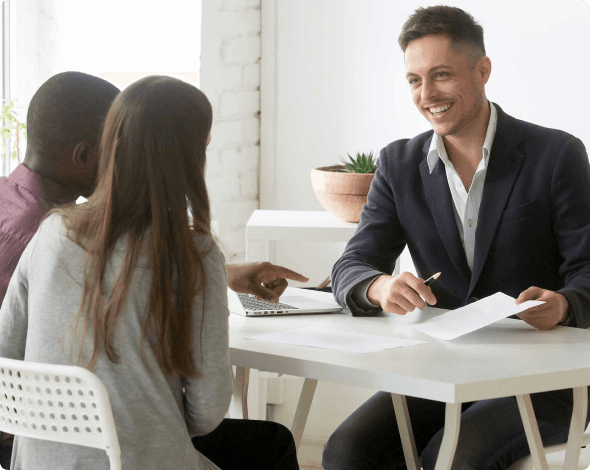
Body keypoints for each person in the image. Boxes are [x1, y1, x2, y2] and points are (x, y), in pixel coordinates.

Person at [323, 6, 590, 470]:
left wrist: (564, 304)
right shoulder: (398, 164)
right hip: (443, 369)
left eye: (441, 75)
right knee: (348, 451)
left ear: (482, 70)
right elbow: (352, 264)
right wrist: (379, 286)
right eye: (414, 80)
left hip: (542, 377)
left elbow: (588, 267)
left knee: (451, 458)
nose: (427, 95)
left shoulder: (556, 154)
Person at [0, 75, 303, 469]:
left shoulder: (52, 231)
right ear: (188, 159)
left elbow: (6, 362)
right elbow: (208, 411)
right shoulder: (195, 255)